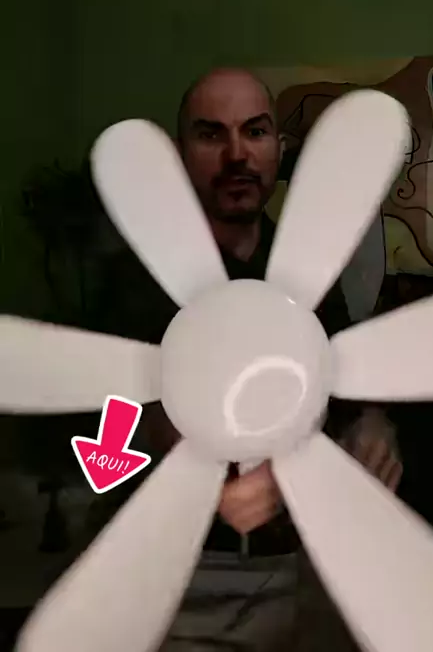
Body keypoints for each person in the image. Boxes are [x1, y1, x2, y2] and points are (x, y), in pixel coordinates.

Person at [88, 68, 402, 651]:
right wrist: (187, 452)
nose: (237, 155)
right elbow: (105, 438)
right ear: (181, 155)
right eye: (211, 134)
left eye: (254, 132)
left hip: (305, 569)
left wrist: (374, 424)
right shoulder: (130, 282)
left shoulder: (311, 265)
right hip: (179, 581)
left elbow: (346, 389)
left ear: (276, 148)